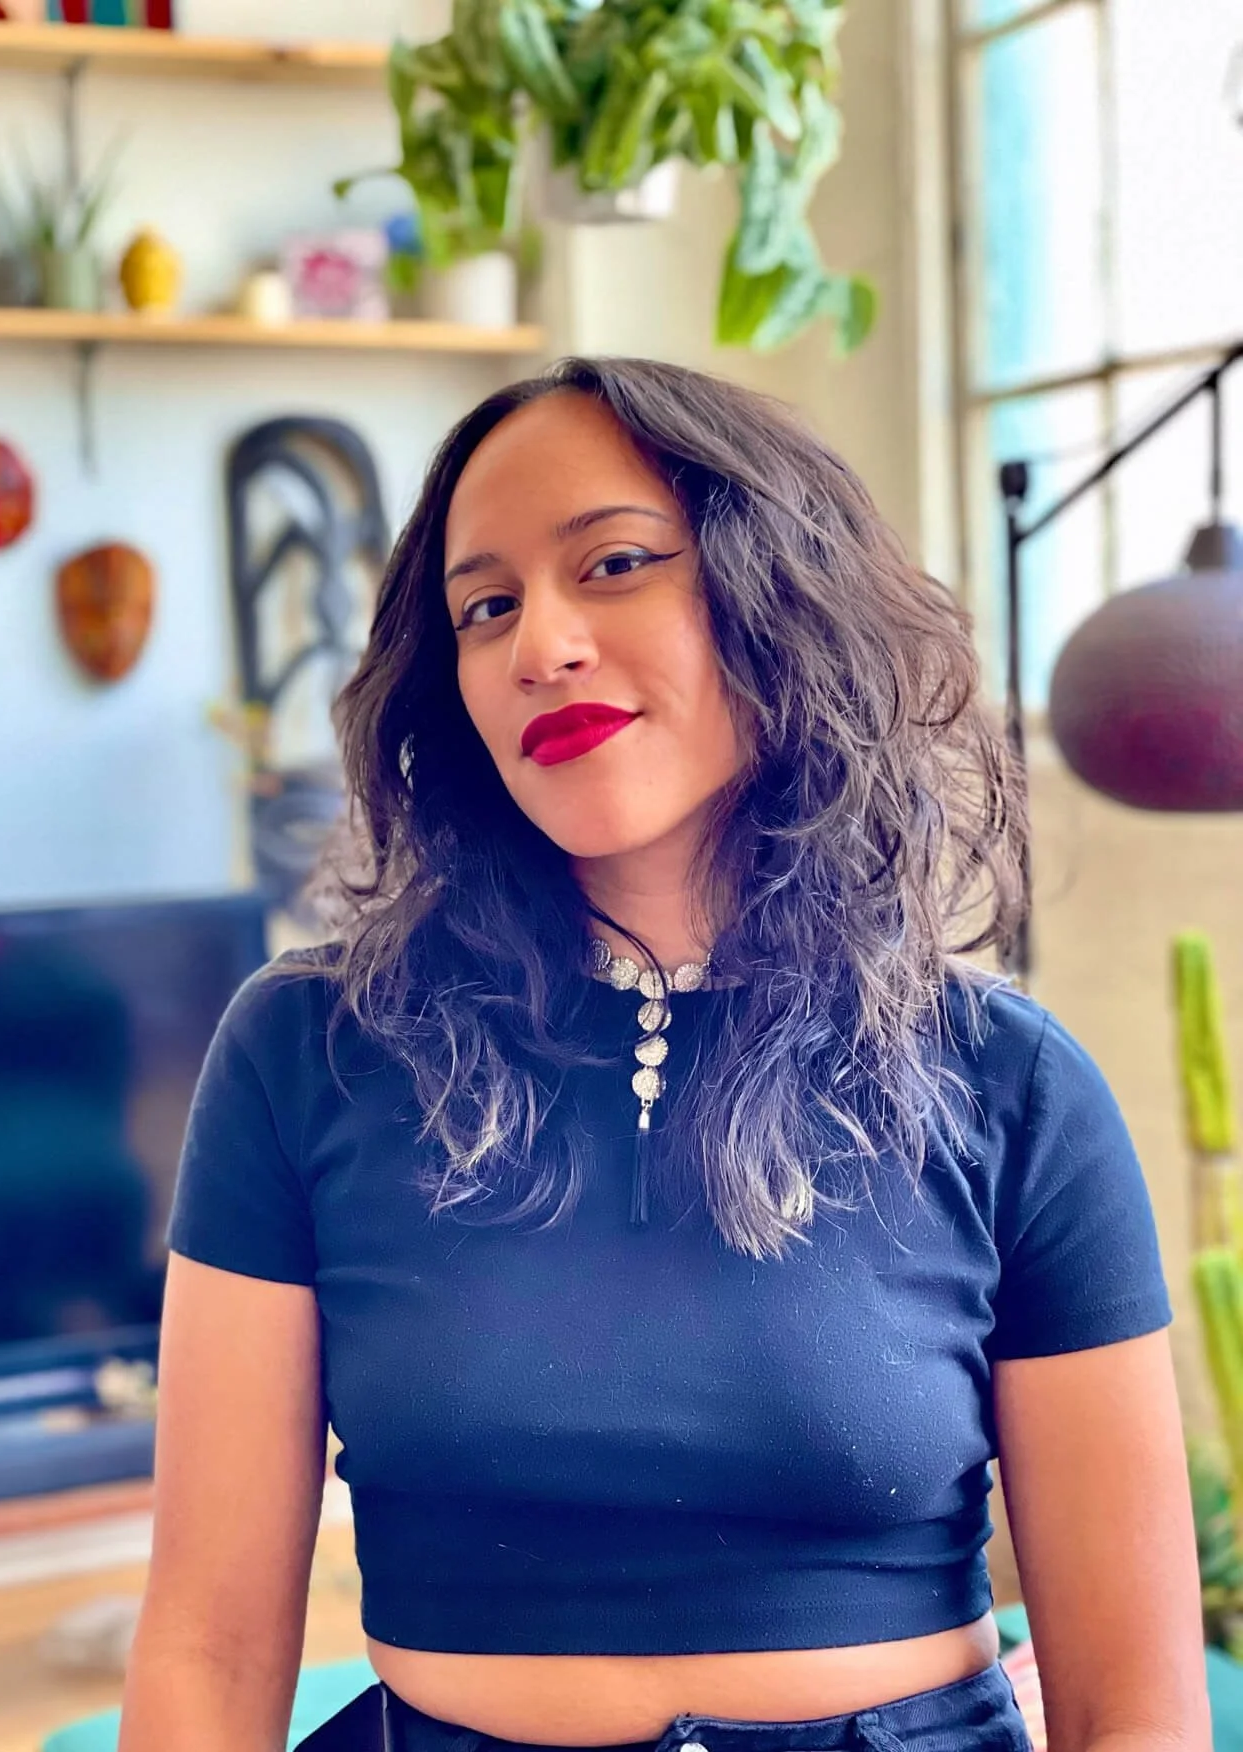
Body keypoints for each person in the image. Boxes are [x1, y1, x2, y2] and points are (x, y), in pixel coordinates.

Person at [120, 358, 1208, 1752]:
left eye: (615, 564)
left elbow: (1134, 1706)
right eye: (486, 607)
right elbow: (206, 1649)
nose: (539, 646)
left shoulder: (1009, 1084)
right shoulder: (308, 1048)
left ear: (777, 600)